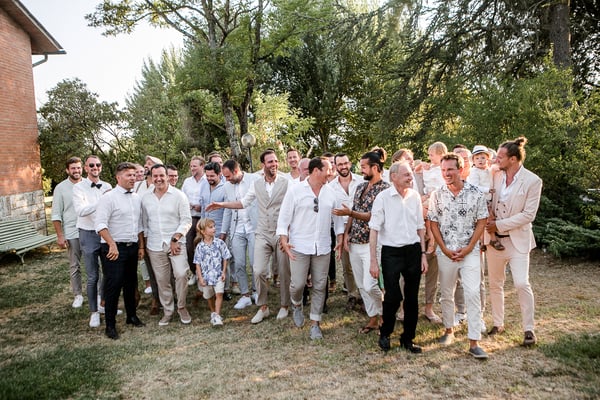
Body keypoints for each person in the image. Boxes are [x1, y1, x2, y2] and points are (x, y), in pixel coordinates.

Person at [206, 149, 291, 324]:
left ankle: (284, 305)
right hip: (261, 232)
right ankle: (263, 307)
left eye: (275, 161)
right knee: (258, 270)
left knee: (283, 271)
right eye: (270, 161)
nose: (274, 164)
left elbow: (294, 205)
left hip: (280, 232)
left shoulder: (286, 182)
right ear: (263, 165)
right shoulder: (257, 184)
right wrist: (221, 204)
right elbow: (243, 203)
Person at [428, 153, 489, 359]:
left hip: (469, 252)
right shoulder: (437, 194)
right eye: (443, 170)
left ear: (460, 170)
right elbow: (433, 223)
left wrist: (470, 247)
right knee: (446, 293)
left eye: (450, 169)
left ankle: (474, 342)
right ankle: (448, 330)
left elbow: (482, 221)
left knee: (472, 293)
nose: (446, 173)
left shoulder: (476, 193)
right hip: (446, 252)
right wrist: (444, 249)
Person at [277, 157, 344, 340]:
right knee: (297, 284)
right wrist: (284, 240)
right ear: (316, 171)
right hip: (299, 245)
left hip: (322, 247)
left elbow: (338, 220)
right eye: (328, 170)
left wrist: (339, 238)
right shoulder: (295, 191)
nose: (331, 173)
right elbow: (283, 219)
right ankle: (297, 304)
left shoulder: (331, 193)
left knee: (320, 285)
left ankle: (315, 323)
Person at [485, 137, 542, 346]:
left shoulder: (533, 181)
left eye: (500, 157)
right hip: (494, 241)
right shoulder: (495, 175)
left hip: (518, 240)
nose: (495, 159)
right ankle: (497, 323)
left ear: (513, 159)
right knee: (495, 283)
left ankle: (529, 329)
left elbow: (528, 215)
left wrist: (498, 225)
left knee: (521, 283)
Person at [369, 161, 428, 353]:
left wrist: (423, 254)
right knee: (393, 296)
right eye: (407, 174)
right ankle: (385, 333)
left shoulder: (415, 196)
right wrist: (373, 261)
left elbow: (420, 226)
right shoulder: (383, 198)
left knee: (411, 298)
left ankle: (408, 339)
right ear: (393, 177)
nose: (411, 177)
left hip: (413, 251)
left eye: (411, 174)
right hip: (391, 252)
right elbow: (374, 230)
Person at [337, 149, 389, 333]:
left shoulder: (385, 189)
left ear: (375, 167)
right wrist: (346, 234)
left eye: (364, 167)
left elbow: (373, 216)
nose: (361, 170)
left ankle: (384, 314)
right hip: (355, 242)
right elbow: (353, 211)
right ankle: (373, 318)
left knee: (370, 284)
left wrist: (350, 212)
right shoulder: (360, 187)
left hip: (372, 243)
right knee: (360, 284)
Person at [95, 162, 146, 339]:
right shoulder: (108, 198)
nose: (133, 178)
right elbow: (100, 224)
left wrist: (141, 246)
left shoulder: (137, 198)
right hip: (113, 249)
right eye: (128, 175)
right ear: (118, 177)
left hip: (132, 247)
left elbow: (139, 225)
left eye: (134, 175)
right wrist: (112, 244)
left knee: (131, 283)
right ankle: (110, 325)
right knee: (114, 285)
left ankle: (131, 316)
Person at [392, 149, 442, 324]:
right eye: (407, 159)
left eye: (412, 159)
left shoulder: (422, 174)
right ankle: (404, 308)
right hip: (408, 233)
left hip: (431, 228)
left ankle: (429, 307)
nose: (412, 161)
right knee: (406, 274)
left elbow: (435, 194)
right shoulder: (394, 182)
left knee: (432, 271)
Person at [141, 164, 193, 326]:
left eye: (161, 175)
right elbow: (144, 224)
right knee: (162, 280)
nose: (158, 179)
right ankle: (168, 311)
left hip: (176, 243)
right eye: (155, 176)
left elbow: (186, 220)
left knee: (181, 274)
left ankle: (182, 307)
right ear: (151, 177)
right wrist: (144, 245)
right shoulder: (145, 198)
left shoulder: (179, 196)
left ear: (167, 176)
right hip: (155, 245)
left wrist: (176, 238)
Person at [72, 155, 112, 329]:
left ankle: (104, 304)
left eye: (98, 165)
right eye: (92, 165)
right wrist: (101, 201)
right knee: (93, 275)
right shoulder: (78, 188)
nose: (95, 167)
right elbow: (80, 211)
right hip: (88, 233)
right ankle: (94, 312)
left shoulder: (108, 186)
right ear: (86, 168)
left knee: (108, 272)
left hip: (106, 233)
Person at [220, 159, 259, 310]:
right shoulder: (227, 186)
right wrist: (223, 232)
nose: (226, 179)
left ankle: (256, 291)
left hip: (254, 227)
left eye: (228, 176)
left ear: (236, 171)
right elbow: (227, 210)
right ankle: (245, 295)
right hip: (237, 228)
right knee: (239, 263)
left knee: (255, 263)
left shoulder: (254, 179)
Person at [329, 153, 361, 310]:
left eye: (345, 163)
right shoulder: (330, 187)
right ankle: (352, 294)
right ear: (335, 166)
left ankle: (364, 294)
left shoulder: (361, 181)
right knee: (347, 265)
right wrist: (341, 235)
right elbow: (332, 213)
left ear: (350, 163)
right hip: (342, 230)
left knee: (362, 262)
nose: (343, 167)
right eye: (340, 164)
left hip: (361, 227)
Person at [51, 156, 84, 308]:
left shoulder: (88, 184)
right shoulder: (61, 188)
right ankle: (78, 295)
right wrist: (60, 235)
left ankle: (98, 295)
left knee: (95, 265)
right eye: (73, 168)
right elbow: (56, 214)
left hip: (90, 231)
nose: (76, 170)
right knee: (74, 265)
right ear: (67, 170)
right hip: (72, 232)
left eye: (78, 167)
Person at [194, 218, 232, 326]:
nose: (214, 229)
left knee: (219, 293)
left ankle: (217, 315)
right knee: (209, 296)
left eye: (214, 226)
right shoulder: (200, 247)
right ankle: (213, 312)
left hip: (218, 274)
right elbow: (197, 263)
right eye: (210, 227)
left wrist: (223, 272)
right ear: (203, 231)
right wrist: (200, 278)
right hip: (206, 277)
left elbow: (225, 257)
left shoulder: (219, 243)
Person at [468, 145, 504, 251]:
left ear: (487, 159)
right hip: (479, 198)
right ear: (473, 161)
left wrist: (493, 161)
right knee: (489, 217)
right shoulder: (474, 171)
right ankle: (492, 239)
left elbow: (498, 167)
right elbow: (474, 186)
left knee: (484, 220)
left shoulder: (488, 169)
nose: (480, 160)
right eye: (477, 158)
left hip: (488, 198)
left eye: (483, 158)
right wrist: (487, 190)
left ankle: (482, 241)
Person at [181, 156, 206, 286]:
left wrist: (202, 206)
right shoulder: (187, 182)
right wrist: (188, 204)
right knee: (189, 247)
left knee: (203, 247)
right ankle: (194, 272)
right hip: (190, 218)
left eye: (194, 166)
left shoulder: (207, 180)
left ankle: (205, 273)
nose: (192, 168)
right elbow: (182, 197)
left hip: (204, 218)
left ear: (202, 166)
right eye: (191, 166)